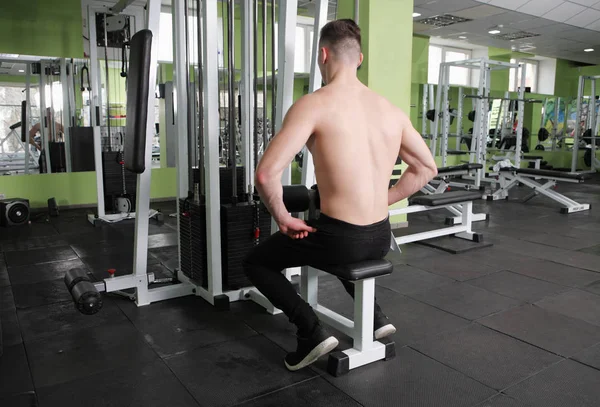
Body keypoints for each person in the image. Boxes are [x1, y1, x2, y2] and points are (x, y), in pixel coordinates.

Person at [243, 19, 438, 371]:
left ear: (322, 54)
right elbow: (426, 168)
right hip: (380, 235)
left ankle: (310, 332)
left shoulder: (314, 104)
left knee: (256, 262)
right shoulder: (390, 110)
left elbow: (265, 173)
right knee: (341, 240)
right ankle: (376, 319)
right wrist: (384, 199)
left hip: (340, 239)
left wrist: (283, 217)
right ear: (359, 58)